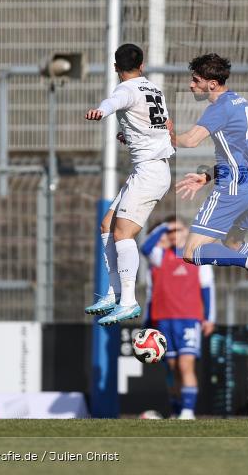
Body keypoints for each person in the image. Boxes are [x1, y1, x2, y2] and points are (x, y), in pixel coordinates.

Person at [172, 53, 248, 313]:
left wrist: (158, 135)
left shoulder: (219, 107)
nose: (191, 85)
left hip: (233, 188)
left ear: (212, 84)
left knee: (191, 252)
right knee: (233, 244)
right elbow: (239, 152)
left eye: (195, 80)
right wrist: (208, 176)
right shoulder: (240, 102)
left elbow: (189, 141)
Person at [84, 43, 174, 326]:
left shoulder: (125, 89)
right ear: (142, 65)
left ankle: (129, 301)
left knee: (123, 234)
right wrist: (133, 136)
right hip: (148, 169)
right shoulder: (154, 89)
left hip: (149, 172)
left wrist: (100, 111)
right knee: (107, 225)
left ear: (115, 68)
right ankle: (114, 293)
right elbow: (166, 127)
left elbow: (114, 103)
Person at [141, 218, 215, 420]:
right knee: (172, 369)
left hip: (189, 319)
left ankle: (188, 411)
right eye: (171, 231)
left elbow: (207, 289)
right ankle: (176, 409)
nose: (175, 234)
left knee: (186, 364)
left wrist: (209, 318)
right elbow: (145, 247)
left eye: (178, 230)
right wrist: (162, 227)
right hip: (164, 320)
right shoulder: (160, 257)